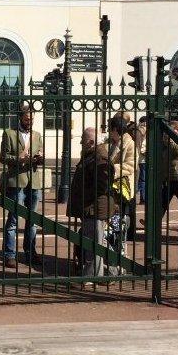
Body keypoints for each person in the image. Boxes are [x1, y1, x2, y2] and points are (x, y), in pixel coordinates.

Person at [66, 128, 115, 283]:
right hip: (91, 207)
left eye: (83, 140)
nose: (81, 142)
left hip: (94, 207)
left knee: (93, 243)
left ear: (92, 142)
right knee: (97, 241)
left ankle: (91, 275)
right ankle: (115, 269)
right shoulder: (92, 155)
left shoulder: (99, 157)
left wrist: (83, 195)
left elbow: (102, 186)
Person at [0, 106, 44, 269]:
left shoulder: (37, 135)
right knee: (13, 220)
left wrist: (39, 158)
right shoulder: (9, 134)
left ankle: (30, 253)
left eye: (32, 119)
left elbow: (40, 153)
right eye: (27, 119)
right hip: (16, 182)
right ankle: (9, 255)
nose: (30, 122)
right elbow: (3, 157)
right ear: (20, 118)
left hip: (34, 182)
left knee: (32, 221)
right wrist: (20, 159)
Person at [103, 114, 135, 274]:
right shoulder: (110, 143)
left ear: (116, 130)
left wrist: (112, 169)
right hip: (110, 190)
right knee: (111, 226)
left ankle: (120, 262)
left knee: (119, 226)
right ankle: (111, 260)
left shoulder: (129, 143)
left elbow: (130, 166)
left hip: (122, 192)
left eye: (110, 130)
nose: (109, 133)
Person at [134, 116, 148, 205]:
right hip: (142, 158)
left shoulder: (139, 130)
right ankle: (142, 197)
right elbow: (140, 146)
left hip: (141, 158)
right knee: (142, 179)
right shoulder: (141, 131)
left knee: (142, 179)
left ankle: (141, 196)